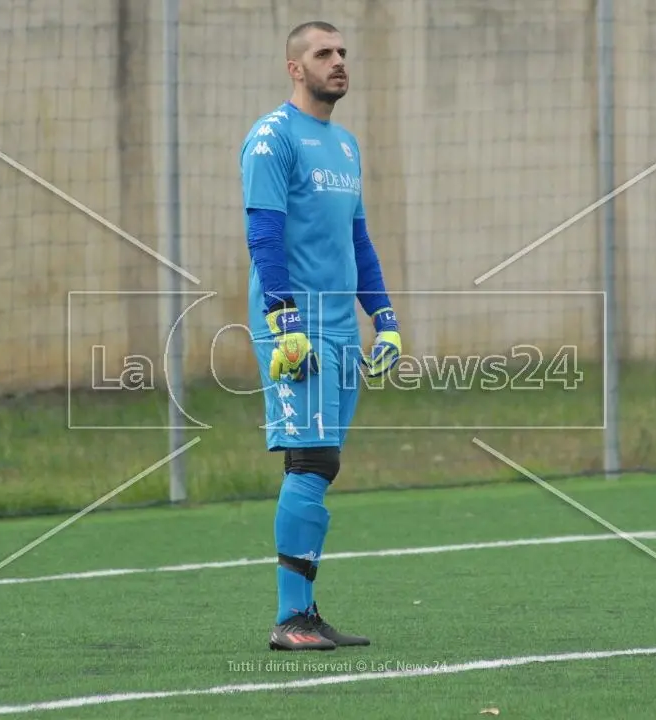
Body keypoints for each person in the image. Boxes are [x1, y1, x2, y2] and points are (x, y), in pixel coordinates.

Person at [239, 20, 402, 651]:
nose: (337, 62)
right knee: (310, 460)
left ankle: (305, 612)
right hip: (297, 327)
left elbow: (358, 240)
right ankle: (289, 622)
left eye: (341, 53)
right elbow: (264, 235)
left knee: (321, 461)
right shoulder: (270, 139)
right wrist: (283, 319)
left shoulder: (346, 145)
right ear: (293, 68)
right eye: (322, 54)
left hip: (341, 327)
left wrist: (383, 319)